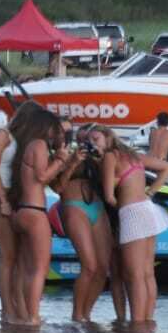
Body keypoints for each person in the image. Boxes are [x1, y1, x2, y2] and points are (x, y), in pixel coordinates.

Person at [101, 128, 168, 325]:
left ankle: (138, 324)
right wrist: (150, 192)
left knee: (134, 275)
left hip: (132, 213)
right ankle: (148, 321)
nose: (93, 143)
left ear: (108, 139)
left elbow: (108, 196)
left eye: (95, 138)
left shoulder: (109, 156)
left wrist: (121, 201)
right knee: (148, 272)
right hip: (149, 209)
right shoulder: (134, 155)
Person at [8, 107, 72, 326]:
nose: (57, 134)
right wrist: (61, 160)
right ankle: (33, 316)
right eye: (54, 129)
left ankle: (23, 314)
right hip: (35, 213)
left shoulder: (27, 146)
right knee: (40, 269)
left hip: (22, 211)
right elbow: (42, 176)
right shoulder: (40, 145)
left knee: (26, 268)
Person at [0, 102, 36, 325]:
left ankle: (18, 307)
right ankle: (7, 310)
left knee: (20, 257)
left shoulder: (22, 140)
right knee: (7, 256)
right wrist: (2, 200)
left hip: (15, 198)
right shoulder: (3, 135)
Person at [54, 124, 114, 322]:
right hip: (74, 206)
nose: (84, 144)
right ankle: (76, 315)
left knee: (103, 268)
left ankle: (86, 314)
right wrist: (73, 162)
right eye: (80, 140)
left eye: (88, 140)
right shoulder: (67, 156)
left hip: (97, 207)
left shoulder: (100, 158)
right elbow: (58, 187)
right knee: (89, 265)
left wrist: (100, 157)